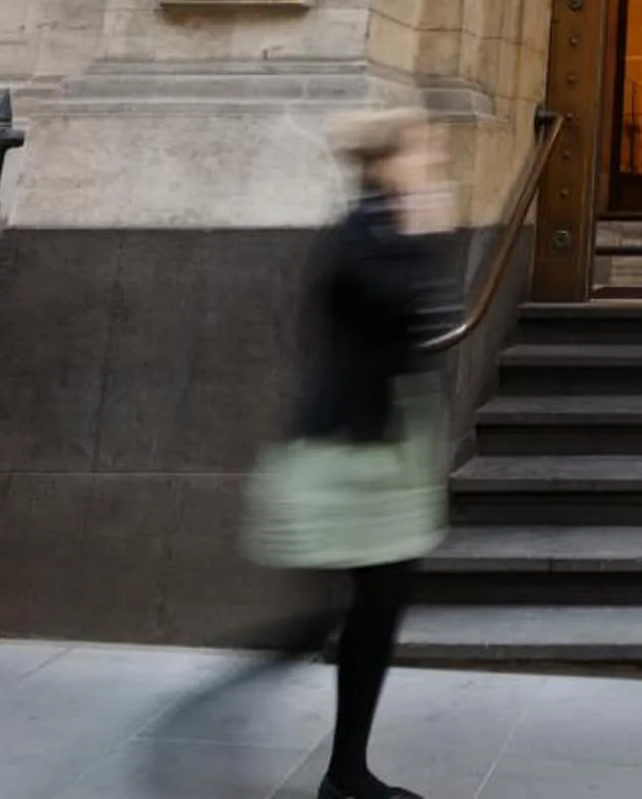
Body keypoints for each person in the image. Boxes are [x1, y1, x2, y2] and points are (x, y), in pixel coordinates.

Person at [231, 112, 457, 799]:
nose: (434, 164)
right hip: (348, 451)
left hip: (384, 443)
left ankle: (346, 770)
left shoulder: (385, 229)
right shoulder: (359, 235)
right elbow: (400, 305)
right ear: (386, 163)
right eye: (422, 152)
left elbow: (423, 317)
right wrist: (425, 231)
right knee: (366, 604)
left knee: (377, 603)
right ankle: (327, 749)